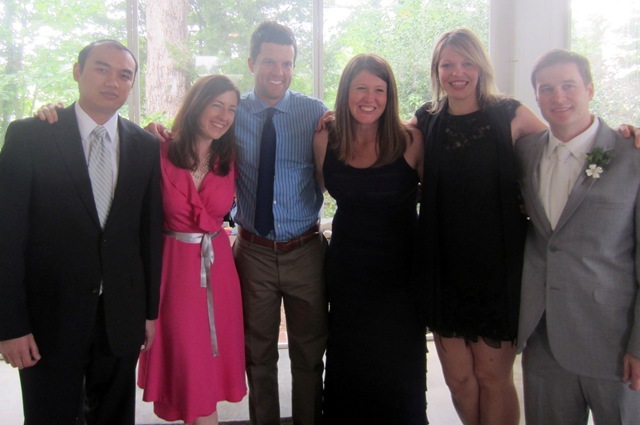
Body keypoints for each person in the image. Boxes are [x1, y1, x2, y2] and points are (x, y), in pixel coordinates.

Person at [0, 39, 162, 425]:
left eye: (125, 75)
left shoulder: (144, 146)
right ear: (77, 71)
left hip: (120, 317)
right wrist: (10, 325)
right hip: (48, 319)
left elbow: (148, 237)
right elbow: (7, 236)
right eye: (101, 68)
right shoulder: (30, 136)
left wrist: (148, 312)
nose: (113, 81)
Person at [410, 28, 547, 425]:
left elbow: (565, 147)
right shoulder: (426, 119)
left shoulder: (509, 113)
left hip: (497, 268)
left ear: (481, 66)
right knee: (459, 380)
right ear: (436, 70)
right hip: (443, 267)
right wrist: (338, 121)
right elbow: (381, 133)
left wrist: (622, 136)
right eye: (448, 64)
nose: (458, 72)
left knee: (492, 378)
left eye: (467, 62)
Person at [514, 49, 640, 425]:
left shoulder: (632, 155)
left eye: (568, 85)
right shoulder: (525, 153)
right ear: (536, 98)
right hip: (544, 338)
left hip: (614, 343)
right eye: (546, 89)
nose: (558, 97)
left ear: (590, 89)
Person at [313, 54, 426, 424]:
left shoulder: (411, 140)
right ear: (346, 91)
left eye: (379, 89)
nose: (369, 98)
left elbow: (441, 201)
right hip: (347, 272)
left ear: (389, 96)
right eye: (360, 87)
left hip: (400, 277)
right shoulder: (326, 138)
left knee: (398, 376)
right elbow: (318, 189)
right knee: (349, 368)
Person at [136, 75, 247, 425]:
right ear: (197, 103)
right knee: (186, 359)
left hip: (218, 269)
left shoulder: (230, 157)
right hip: (175, 273)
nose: (224, 116)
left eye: (231, 109)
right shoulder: (158, 148)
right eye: (217, 105)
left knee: (209, 364)